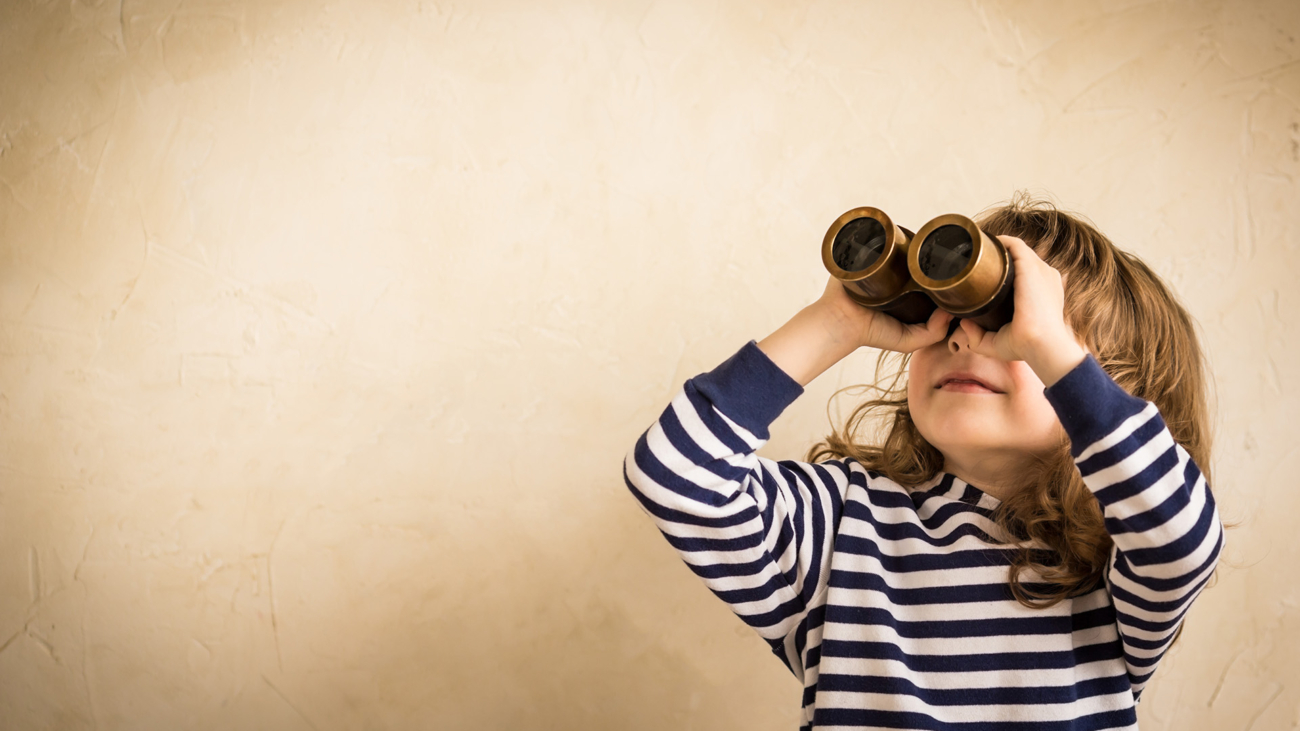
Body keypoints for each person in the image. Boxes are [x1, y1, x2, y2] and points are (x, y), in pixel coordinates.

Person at [621, 197, 1225, 730]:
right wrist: (836, 323)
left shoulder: (1112, 561)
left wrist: (1050, 347)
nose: (963, 339)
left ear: (1108, 384)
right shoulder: (842, 525)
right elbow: (675, 476)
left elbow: (1181, 540)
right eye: (945, 316)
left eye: (1005, 321)